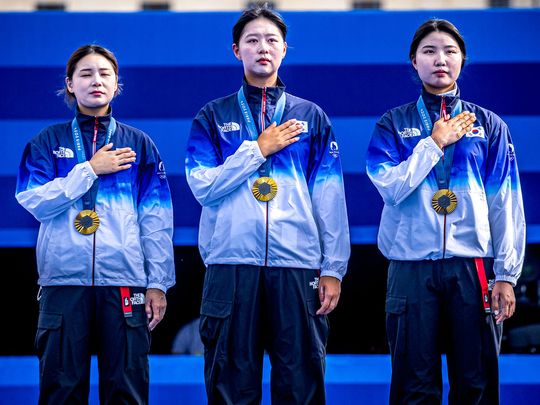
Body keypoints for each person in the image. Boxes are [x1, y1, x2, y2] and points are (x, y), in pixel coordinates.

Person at [185, 4, 350, 404]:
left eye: (271, 40)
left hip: (297, 266)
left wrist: (333, 268)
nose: (263, 48)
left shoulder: (310, 116)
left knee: (300, 384)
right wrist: (257, 150)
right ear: (235, 50)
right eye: (252, 40)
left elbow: (329, 199)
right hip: (230, 265)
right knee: (230, 384)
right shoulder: (212, 116)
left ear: (285, 50)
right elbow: (203, 187)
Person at [366, 19, 526, 404]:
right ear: (414, 61)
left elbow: (505, 204)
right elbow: (390, 187)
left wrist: (506, 274)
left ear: (462, 60)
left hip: (471, 266)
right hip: (409, 266)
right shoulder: (393, 124)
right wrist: (433, 144)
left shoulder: (489, 126)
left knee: (476, 383)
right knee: (412, 385)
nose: (440, 59)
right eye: (429, 51)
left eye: (450, 51)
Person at [15, 44, 175, 404]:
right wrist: (88, 169)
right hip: (63, 283)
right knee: (61, 391)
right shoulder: (46, 142)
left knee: (127, 391)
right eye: (85, 74)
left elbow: (156, 220)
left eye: (104, 74)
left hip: (124, 282)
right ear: (69, 84)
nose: (96, 81)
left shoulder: (139, 145)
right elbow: (34, 201)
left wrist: (159, 283)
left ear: (117, 83)